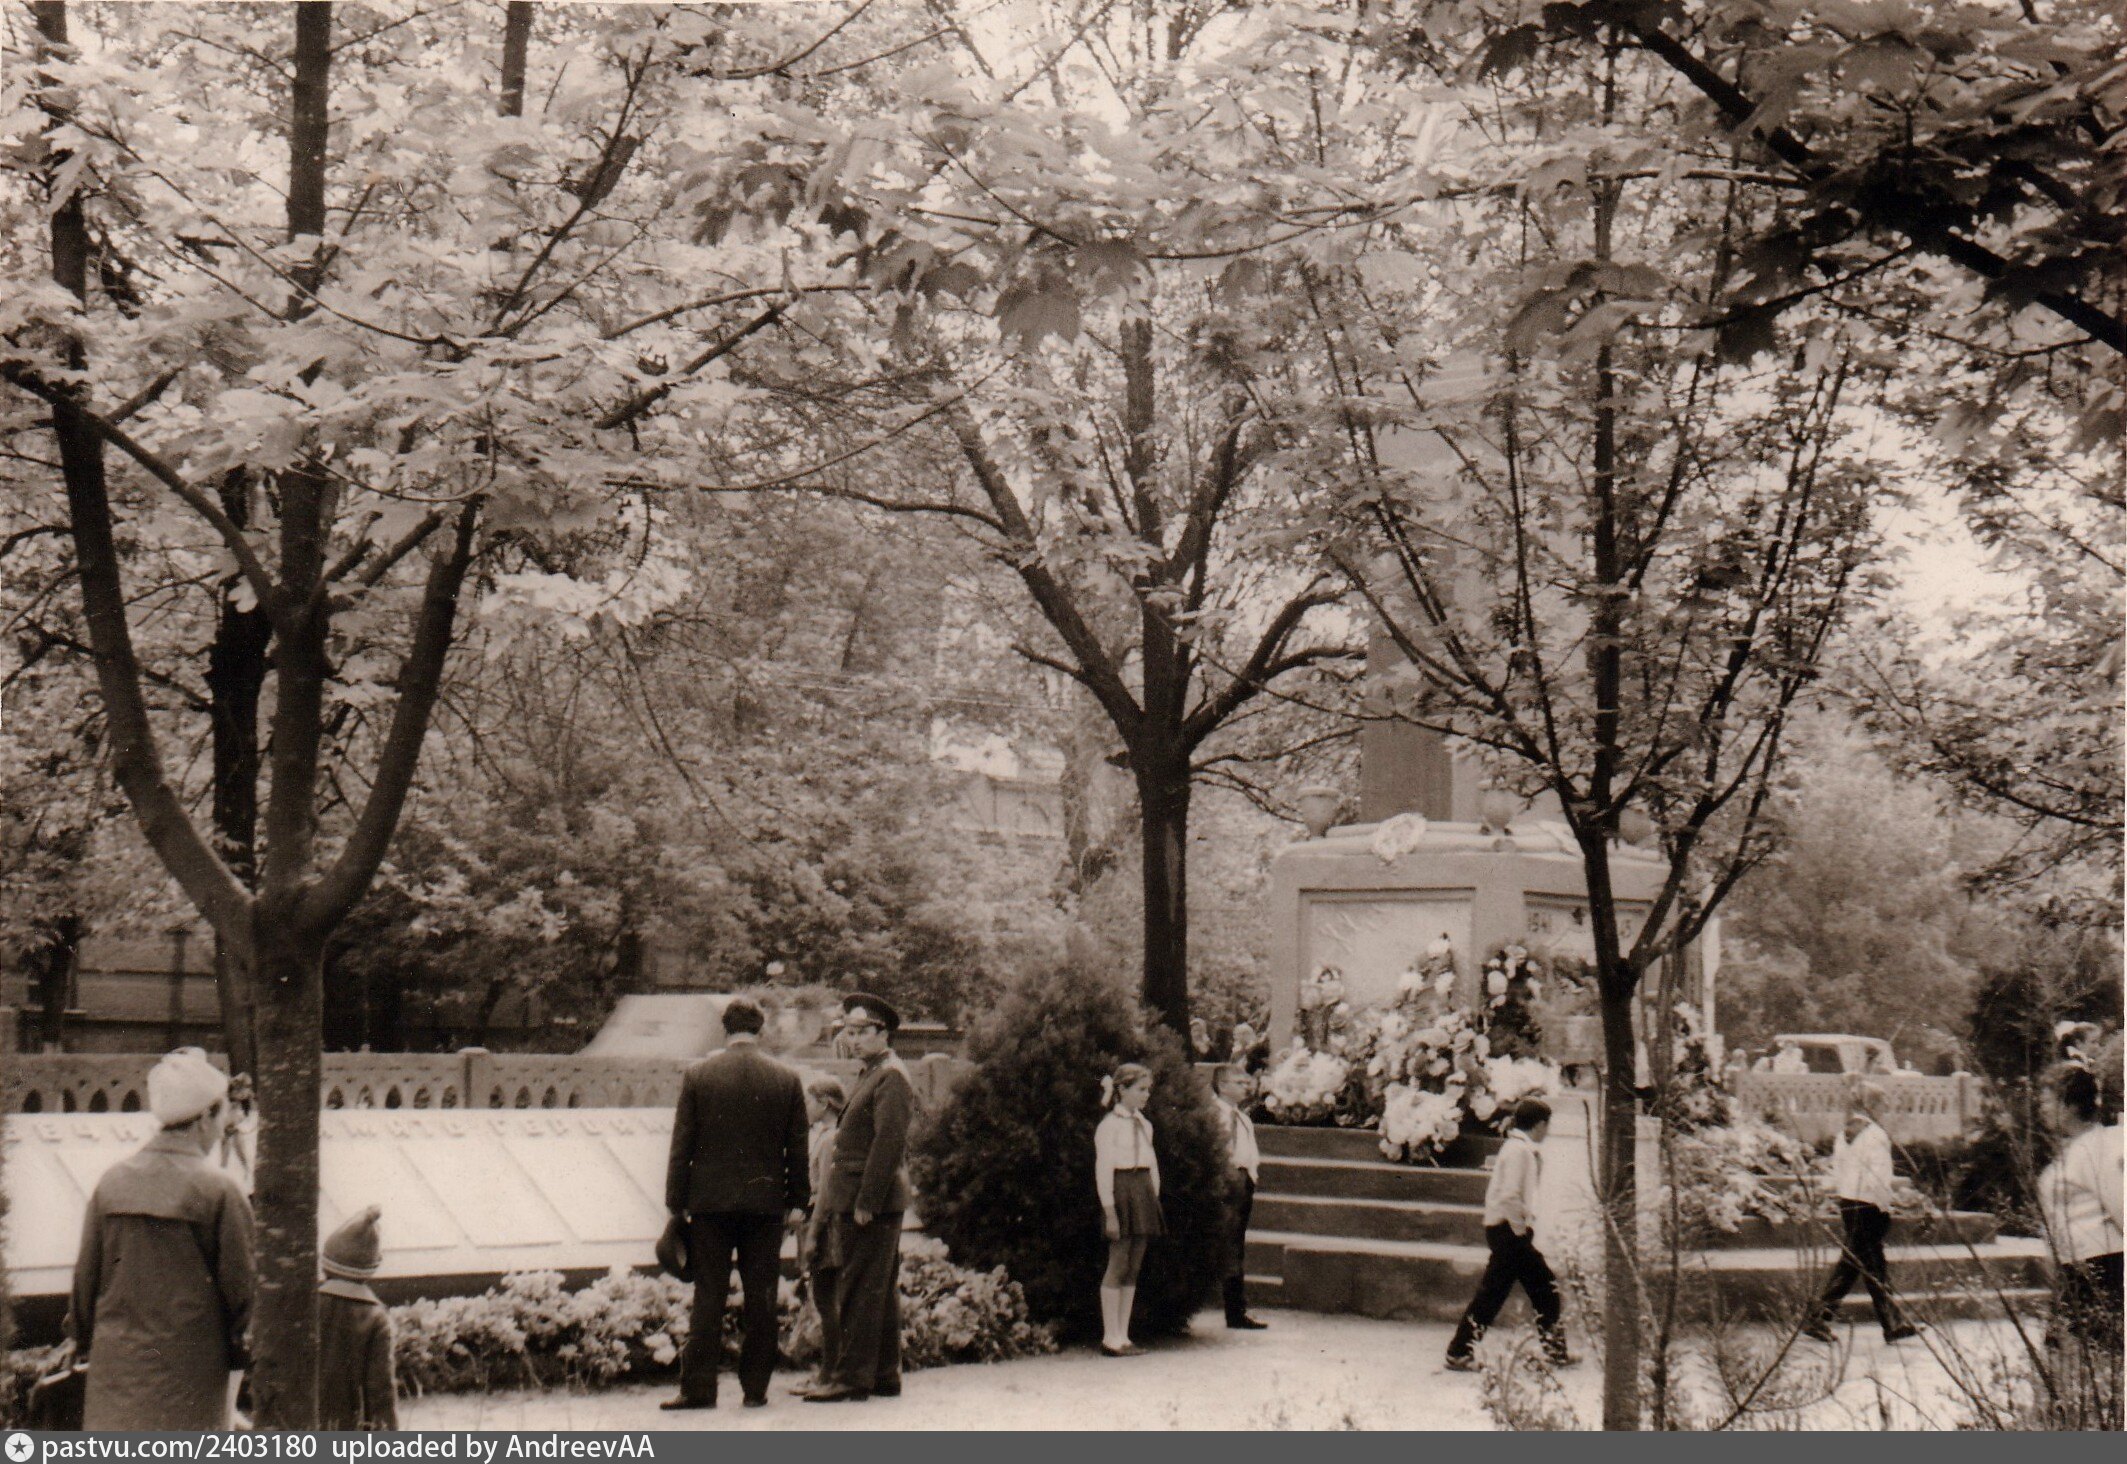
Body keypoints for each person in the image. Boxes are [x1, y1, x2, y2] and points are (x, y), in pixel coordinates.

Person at [66, 1047, 255, 1429]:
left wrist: (79, 1340)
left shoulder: (112, 1183)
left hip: (116, 1376)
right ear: (205, 1117)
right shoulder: (219, 1191)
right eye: (222, 1115)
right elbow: (245, 1293)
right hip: (190, 1379)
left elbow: (85, 1280)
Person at [661, 997, 810, 1410]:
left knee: (708, 1295)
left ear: (725, 1029)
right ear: (760, 1029)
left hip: (710, 1204)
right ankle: (755, 1391)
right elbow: (797, 1147)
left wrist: (676, 1201)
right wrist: (798, 1200)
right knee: (762, 1297)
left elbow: (682, 1144)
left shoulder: (699, 1075)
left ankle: (698, 1390)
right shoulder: (786, 1078)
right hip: (765, 1205)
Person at [806, 993, 914, 1403]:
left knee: (858, 1287)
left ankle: (851, 1378)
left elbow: (888, 1143)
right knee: (877, 1289)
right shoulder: (876, 1072)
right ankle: (884, 1374)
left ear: (883, 1033)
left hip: (868, 1202)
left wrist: (867, 1201)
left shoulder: (890, 1075)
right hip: (867, 1198)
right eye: (848, 1032)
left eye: (860, 1032)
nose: (852, 1040)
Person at [1445, 1099, 1574, 1371]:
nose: (1548, 1130)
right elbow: (1510, 1195)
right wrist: (1520, 1231)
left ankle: (1555, 1351)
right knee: (1514, 1291)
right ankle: (1458, 1352)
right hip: (1508, 1231)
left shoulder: (1519, 1149)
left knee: (1536, 1288)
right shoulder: (1518, 1151)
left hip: (1507, 1231)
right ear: (1540, 1124)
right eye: (1547, 1125)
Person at [1805, 1085, 1918, 1344]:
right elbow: (1879, 1176)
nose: (1884, 1109)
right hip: (1869, 1205)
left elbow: (1839, 1171)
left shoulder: (1844, 1134)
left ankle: (1892, 1323)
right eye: (1882, 1104)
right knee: (1858, 1263)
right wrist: (1884, 1206)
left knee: (1867, 1263)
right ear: (1872, 1105)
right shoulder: (1876, 1134)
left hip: (1848, 1202)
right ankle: (1820, 1316)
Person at [2037, 1065, 2122, 1354]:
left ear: (2071, 1104)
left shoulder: (2101, 1148)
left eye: (2047, 1101)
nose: (2042, 1109)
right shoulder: (2072, 1149)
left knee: (2096, 1356)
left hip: (2100, 1268)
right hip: (2072, 1270)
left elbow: (2121, 1207)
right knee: (2065, 1357)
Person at [1094, 1061, 1163, 1357]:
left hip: (1143, 1193)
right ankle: (1110, 1337)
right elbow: (1104, 1170)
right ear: (1122, 1090)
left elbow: (1152, 1164)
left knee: (1134, 1265)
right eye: (1141, 1089)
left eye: (1148, 1090)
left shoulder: (1145, 1125)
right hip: (1121, 1193)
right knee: (1118, 1262)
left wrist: (1153, 1198)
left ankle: (1123, 1335)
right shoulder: (1108, 1126)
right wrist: (1109, 1211)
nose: (1146, 1095)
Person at [317, 1205, 398, 1430]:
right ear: (370, 1269)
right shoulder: (376, 1318)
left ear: (325, 1262)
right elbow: (381, 1389)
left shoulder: (308, 1307)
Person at [794, 1072, 850, 1396]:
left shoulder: (830, 1139)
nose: (805, 1107)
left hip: (827, 1228)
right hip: (822, 1223)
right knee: (825, 1300)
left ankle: (831, 1374)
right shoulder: (826, 1136)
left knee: (827, 1301)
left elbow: (826, 1193)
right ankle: (828, 1372)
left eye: (809, 1101)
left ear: (825, 1102)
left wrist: (813, 1234)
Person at [1212, 1064, 1266, 1330]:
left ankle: (1236, 1311)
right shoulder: (1212, 1114)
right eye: (1238, 1082)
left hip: (1242, 1182)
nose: (1245, 1087)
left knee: (1236, 1244)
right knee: (1220, 1241)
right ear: (1222, 1085)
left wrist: (1250, 1177)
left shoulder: (1244, 1119)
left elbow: (1251, 1152)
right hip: (1222, 1182)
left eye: (1246, 1083)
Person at [219, 1071, 257, 1192]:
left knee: (239, 1147)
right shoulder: (224, 1095)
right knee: (224, 1150)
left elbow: (250, 1121)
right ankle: (222, 1173)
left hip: (234, 1126)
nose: (243, 1095)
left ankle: (247, 1172)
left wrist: (237, 1126)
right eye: (240, 1092)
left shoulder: (246, 1100)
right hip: (224, 1125)